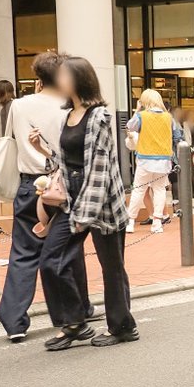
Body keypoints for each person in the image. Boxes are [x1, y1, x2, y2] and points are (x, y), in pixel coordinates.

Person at [33, 56, 137, 349]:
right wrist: (42, 150)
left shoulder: (99, 116)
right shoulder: (67, 116)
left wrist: (85, 214)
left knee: (111, 267)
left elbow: (99, 168)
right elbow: (68, 161)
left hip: (101, 202)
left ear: (79, 79)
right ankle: (74, 322)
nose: (58, 80)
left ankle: (123, 327)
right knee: (51, 260)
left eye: (63, 75)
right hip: (72, 198)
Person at [0, 51, 73, 342]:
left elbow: (11, 140)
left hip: (29, 183)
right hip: (62, 184)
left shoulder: (18, 105)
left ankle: (14, 322)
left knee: (23, 251)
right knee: (66, 250)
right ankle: (71, 313)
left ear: (38, 76)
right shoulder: (68, 105)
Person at [125, 89, 179, 234]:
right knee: (160, 190)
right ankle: (157, 223)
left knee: (138, 190)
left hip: (145, 160)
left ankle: (130, 222)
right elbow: (177, 135)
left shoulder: (142, 116)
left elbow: (129, 126)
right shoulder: (169, 118)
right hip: (164, 160)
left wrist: (137, 110)